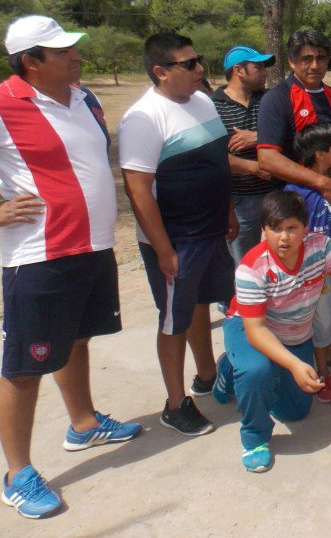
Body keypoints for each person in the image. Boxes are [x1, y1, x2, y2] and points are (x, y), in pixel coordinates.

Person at [0, 15, 141, 519]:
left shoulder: (86, 99)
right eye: (62, 51)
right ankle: (17, 474)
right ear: (30, 62)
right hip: (40, 257)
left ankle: (82, 423)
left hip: (93, 247)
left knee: (78, 340)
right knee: (24, 366)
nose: (76, 56)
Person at [213, 190, 331, 472]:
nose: (284, 237)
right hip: (250, 330)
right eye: (275, 229)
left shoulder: (321, 247)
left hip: (295, 334)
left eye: (292, 228)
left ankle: (234, 370)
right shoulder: (251, 268)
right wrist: (294, 364)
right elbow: (256, 331)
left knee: (295, 412)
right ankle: (254, 437)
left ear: (305, 229)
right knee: (256, 370)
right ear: (263, 230)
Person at [120, 32, 238, 436]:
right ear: (160, 71)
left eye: (198, 59)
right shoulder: (144, 117)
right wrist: (164, 249)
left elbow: (216, 162)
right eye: (189, 64)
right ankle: (174, 403)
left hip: (211, 230)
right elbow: (137, 189)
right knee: (174, 319)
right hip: (177, 239)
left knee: (201, 304)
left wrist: (228, 211)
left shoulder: (202, 101)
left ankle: (206, 375)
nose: (200, 69)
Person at [283, 123, 331, 403]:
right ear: (319, 154)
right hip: (313, 271)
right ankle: (323, 376)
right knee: (321, 321)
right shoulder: (295, 192)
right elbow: (289, 234)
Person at [256, 29, 331, 202]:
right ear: (292, 62)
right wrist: (322, 183)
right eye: (306, 59)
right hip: (296, 201)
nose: (315, 66)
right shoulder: (277, 98)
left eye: (321, 58)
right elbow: (267, 159)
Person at [212, 45, 277, 263]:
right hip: (239, 200)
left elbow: (290, 134)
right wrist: (255, 168)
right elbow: (213, 157)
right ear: (239, 70)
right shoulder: (213, 106)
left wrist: (258, 137)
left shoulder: (270, 100)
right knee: (243, 264)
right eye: (258, 66)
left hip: (275, 194)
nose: (265, 72)